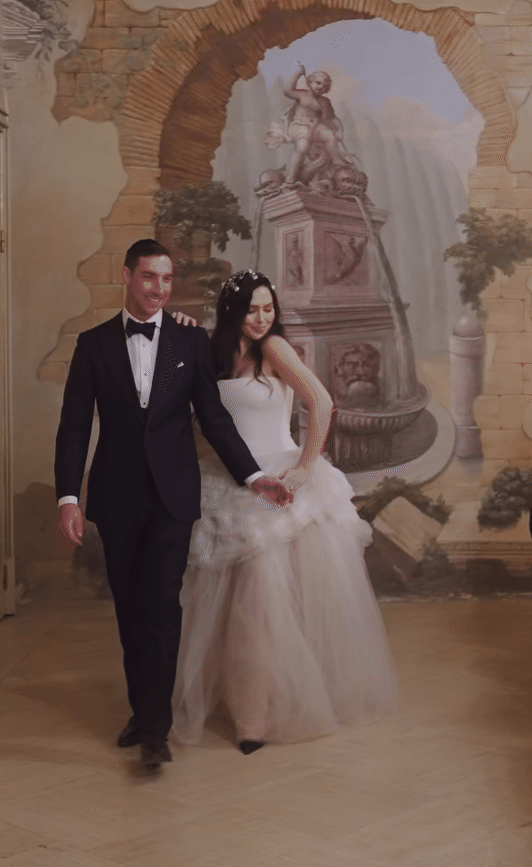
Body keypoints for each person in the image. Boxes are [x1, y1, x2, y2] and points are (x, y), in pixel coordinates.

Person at [54, 240, 292, 770]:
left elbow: (214, 418)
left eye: (167, 279)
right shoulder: (92, 345)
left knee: (162, 606)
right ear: (126, 276)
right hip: (115, 498)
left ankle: (155, 732)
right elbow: (73, 428)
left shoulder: (190, 340)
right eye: (149, 278)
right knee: (130, 611)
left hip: (173, 498)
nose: (160, 289)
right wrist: (69, 497)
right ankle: (144, 711)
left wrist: (252, 475)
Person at [172, 269, 398, 753]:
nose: (261, 318)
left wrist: (303, 467)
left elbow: (321, 400)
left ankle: (257, 719)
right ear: (232, 311)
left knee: (263, 605)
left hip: (279, 481)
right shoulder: (211, 353)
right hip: (230, 479)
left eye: (268, 308)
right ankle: (242, 705)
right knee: (223, 607)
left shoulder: (274, 348)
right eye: (252, 309)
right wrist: (178, 329)